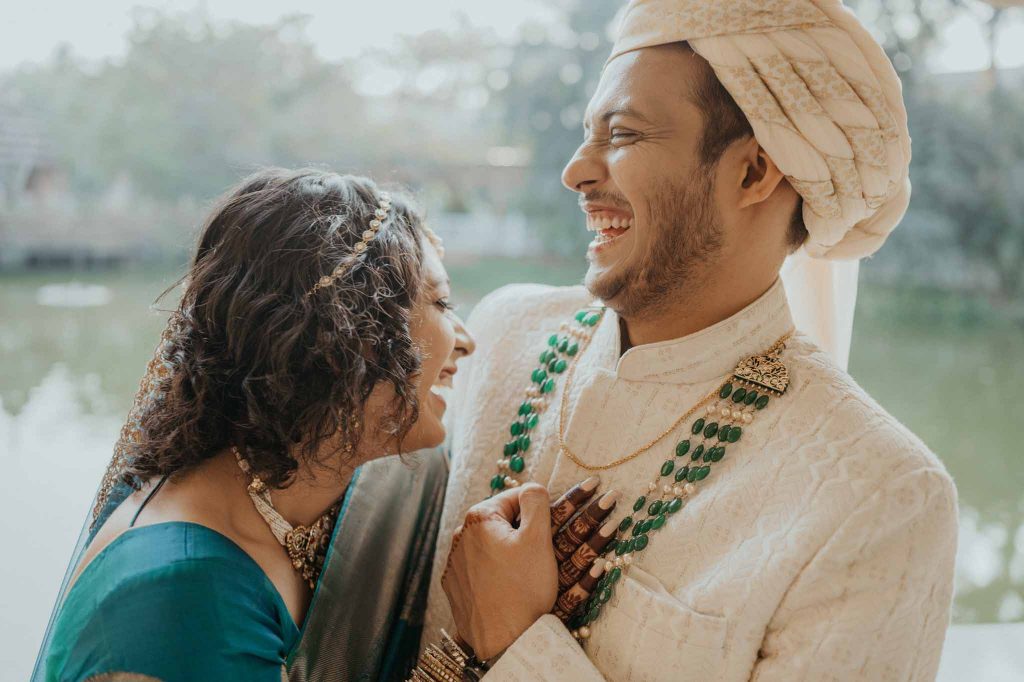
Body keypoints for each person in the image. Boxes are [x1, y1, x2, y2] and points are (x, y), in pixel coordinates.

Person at [420, 1, 959, 680]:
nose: (576, 172)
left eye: (624, 135)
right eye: (588, 135)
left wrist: (519, 642)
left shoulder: (880, 499)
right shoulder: (500, 335)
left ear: (753, 173)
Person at [33, 169, 605, 682]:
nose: (464, 338)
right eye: (441, 302)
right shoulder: (181, 595)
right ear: (347, 335)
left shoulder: (331, 495)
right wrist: (479, 647)